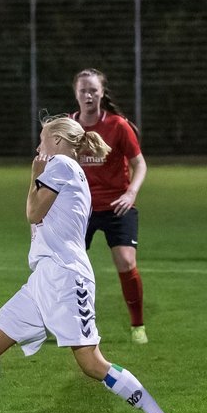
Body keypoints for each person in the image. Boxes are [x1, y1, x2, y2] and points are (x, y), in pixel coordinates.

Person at [0, 115, 187, 413]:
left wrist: (34, 175)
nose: (37, 146)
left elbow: (32, 213)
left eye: (42, 138)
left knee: (91, 363)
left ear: (58, 140)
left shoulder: (59, 165)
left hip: (66, 278)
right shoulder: (64, 168)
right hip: (44, 278)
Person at [71, 69, 150, 344]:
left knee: (127, 261)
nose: (88, 95)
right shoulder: (68, 126)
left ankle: (137, 325)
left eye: (93, 90)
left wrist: (131, 192)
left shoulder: (117, 125)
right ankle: (71, 323)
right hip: (81, 209)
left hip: (117, 205)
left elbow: (139, 163)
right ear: (75, 93)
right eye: (83, 90)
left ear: (102, 93)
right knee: (69, 266)